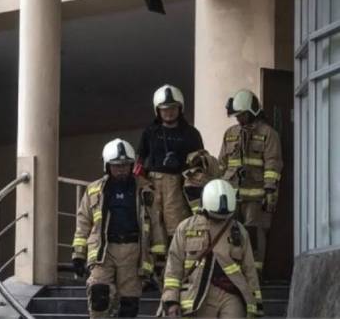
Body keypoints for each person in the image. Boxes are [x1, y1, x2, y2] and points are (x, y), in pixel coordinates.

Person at [71, 138, 164, 318]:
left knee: (129, 305)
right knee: (99, 295)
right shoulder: (93, 190)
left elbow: (155, 224)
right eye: (116, 165)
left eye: (125, 165)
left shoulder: (146, 190)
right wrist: (78, 254)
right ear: (107, 166)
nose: (121, 169)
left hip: (133, 251)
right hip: (103, 250)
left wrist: (159, 257)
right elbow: (83, 223)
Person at [162, 179, 263, 318]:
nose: (221, 220)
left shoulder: (239, 231)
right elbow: (173, 268)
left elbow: (249, 269)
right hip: (198, 293)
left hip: (232, 294)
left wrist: (256, 304)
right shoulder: (185, 228)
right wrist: (171, 301)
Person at [136, 85, 204, 265]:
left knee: (177, 228)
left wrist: (183, 167)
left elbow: (201, 162)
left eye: (173, 108)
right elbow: (139, 161)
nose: (169, 112)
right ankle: (152, 271)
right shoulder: (150, 132)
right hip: (153, 185)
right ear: (157, 110)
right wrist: (142, 182)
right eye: (164, 109)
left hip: (178, 186)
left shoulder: (190, 133)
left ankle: (177, 269)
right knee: (152, 228)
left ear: (180, 108)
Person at [218, 89, 283, 276]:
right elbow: (222, 163)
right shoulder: (230, 133)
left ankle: (254, 274)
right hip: (232, 195)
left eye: (242, 114)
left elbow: (273, 163)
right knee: (231, 234)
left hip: (256, 196)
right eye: (237, 115)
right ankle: (233, 273)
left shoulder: (268, 134)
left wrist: (270, 191)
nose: (239, 119)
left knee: (254, 235)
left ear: (253, 111)